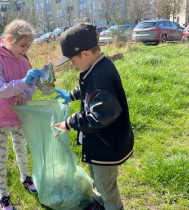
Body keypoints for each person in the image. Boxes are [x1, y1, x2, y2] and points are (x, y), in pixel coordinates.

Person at [53, 23, 134, 210]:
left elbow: (100, 115)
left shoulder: (103, 74)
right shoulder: (95, 68)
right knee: (96, 178)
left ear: (86, 54)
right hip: (97, 143)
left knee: (107, 187)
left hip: (107, 145)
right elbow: (89, 89)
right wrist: (72, 94)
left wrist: (71, 121)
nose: (73, 66)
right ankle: (99, 203)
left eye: (72, 61)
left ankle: (112, 206)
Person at [0, 19, 43, 210]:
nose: (25, 50)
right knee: (1, 158)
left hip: (18, 114)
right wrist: (24, 83)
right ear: (9, 39)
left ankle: (25, 178)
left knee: (21, 150)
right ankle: (3, 196)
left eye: (28, 46)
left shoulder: (24, 60)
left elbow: (31, 86)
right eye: (22, 45)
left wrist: (24, 93)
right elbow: (0, 88)